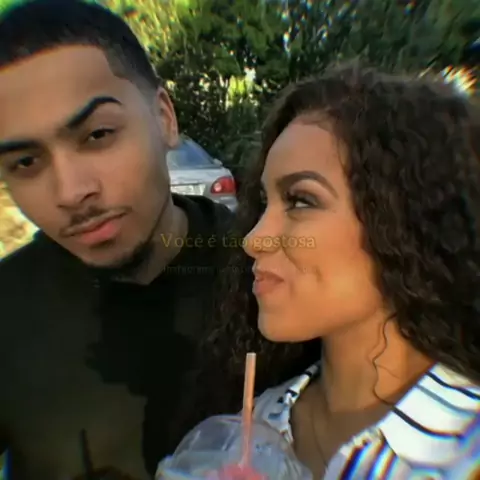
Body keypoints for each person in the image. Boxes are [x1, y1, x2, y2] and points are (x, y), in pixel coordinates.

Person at [0, 1, 311, 478]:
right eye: (26, 163)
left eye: (98, 135)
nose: (71, 192)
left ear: (165, 118)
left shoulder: (273, 275)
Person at [188, 64, 480, 479]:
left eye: (301, 200)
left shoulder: (467, 448)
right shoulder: (245, 432)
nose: (254, 239)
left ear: (405, 221)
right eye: (263, 202)